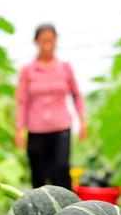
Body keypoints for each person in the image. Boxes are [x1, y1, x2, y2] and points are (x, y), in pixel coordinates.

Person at [14, 23, 87, 189]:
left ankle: (67, 212)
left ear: (56, 41)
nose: (47, 44)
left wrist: (82, 120)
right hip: (36, 130)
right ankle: (41, 213)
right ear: (36, 42)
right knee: (38, 174)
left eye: (50, 40)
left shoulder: (64, 68)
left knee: (61, 169)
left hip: (61, 128)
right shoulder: (28, 71)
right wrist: (18, 130)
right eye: (43, 40)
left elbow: (76, 95)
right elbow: (22, 101)